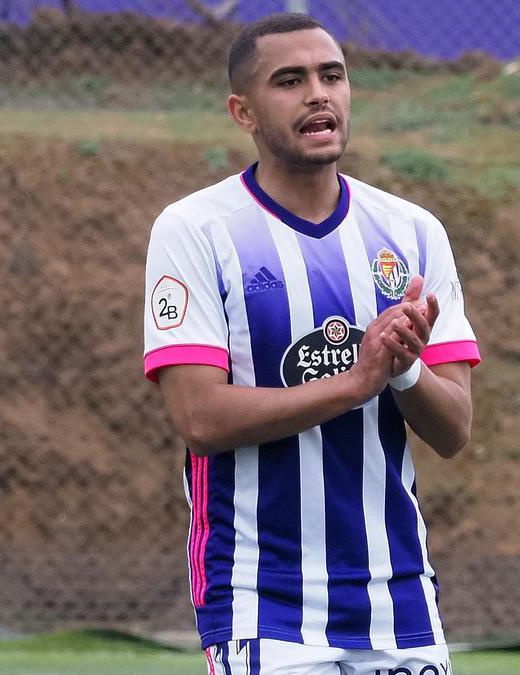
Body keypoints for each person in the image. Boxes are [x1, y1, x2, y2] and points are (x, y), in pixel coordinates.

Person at [142, 14, 478, 674]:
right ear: (243, 111)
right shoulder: (196, 231)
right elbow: (200, 418)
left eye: (332, 76)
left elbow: (456, 428)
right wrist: (354, 384)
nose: (318, 94)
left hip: (398, 599)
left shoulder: (412, 233)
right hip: (261, 602)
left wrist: (405, 372)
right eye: (289, 81)